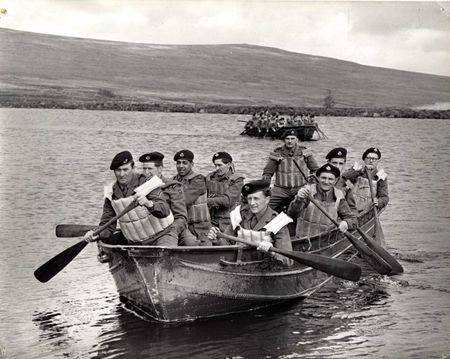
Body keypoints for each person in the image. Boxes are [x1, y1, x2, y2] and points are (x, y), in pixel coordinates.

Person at [84, 151, 178, 246]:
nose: (121, 174)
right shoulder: (110, 192)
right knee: (107, 241)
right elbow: (108, 224)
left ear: (133, 168)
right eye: (118, 170)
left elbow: (164, 210)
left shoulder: (148, 183)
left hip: (163, 234)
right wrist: (97, 234)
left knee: (165, 253)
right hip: (136, 241)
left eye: (125, 170)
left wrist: (148, 203)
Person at [208, 180, 293, 266]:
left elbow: (288, 260)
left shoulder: (277, 222)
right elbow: (227, 245)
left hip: (266, 270)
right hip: (239, 266)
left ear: (267, 200)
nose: (252, 203)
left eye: (256, 199)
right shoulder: (239, 216)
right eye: (249, 198)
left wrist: (272, 253)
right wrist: (217, 241)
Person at [287, 164, 357, 241]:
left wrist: (346, 223)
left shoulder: (338, 196)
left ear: (336, 180)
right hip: (303, 241)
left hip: (326, 242)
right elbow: (292, 214)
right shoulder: (307, 191)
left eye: (330, 179)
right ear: (318, 178)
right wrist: (299, 199)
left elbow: (352, 219)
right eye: (323, 178)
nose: (326, 182)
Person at [262, 130, 319, 212]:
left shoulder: (304, 152)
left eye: (292, 138)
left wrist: (311, 184)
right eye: (287, 138)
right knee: (265, 205)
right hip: (281, 189)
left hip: (300, 187)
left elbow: (315, 170)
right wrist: (265, 187)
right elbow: (268, 172)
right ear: (284, 140)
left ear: (297, 140)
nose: (290, 141)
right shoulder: (277, 153)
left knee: (310, 207)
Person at [139, 152, 189, 243]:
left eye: (150, 169)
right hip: (147, 230)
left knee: (191, 243)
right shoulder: (140, 188)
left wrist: (170, 230)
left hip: (172, 228)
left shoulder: (172, 187)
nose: (146, 172)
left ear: (160, 169)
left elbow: (181, 217)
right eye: (144, 168)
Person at [173, 150, 211, 245]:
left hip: (199, 227)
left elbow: (185, 200)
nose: (181, 166)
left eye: (184, 163)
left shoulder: (198, 180)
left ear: (192, 164)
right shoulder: (173, 180)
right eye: (178, 163)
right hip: (182, 226)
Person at [206, 152, 244, 231]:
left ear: (229, 164)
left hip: (228, 221)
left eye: (220, 165)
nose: (217, 168)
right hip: (210, 219)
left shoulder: (237, 180)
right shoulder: (210, 177)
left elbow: (227, 201)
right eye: (215, 165)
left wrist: (205, 201)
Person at [342, 147, 389, 212]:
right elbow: (344, 177)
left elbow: (384, 197)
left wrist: (378, 202)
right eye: (369, 158)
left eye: (374, 159)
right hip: (350, 207)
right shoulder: (356, 169)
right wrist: (360, 171)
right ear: (364, 159)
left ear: (378, 161)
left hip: (366, 210)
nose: (371, 161)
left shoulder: (380, 177)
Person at [325, 147, 357, 213]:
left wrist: (349, 222)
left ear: (344, 165)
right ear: (328, 163)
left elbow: (352, 208)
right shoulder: (318, 180)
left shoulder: (346, 185)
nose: (337, 166)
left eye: (341, 164)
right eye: (334, 163)